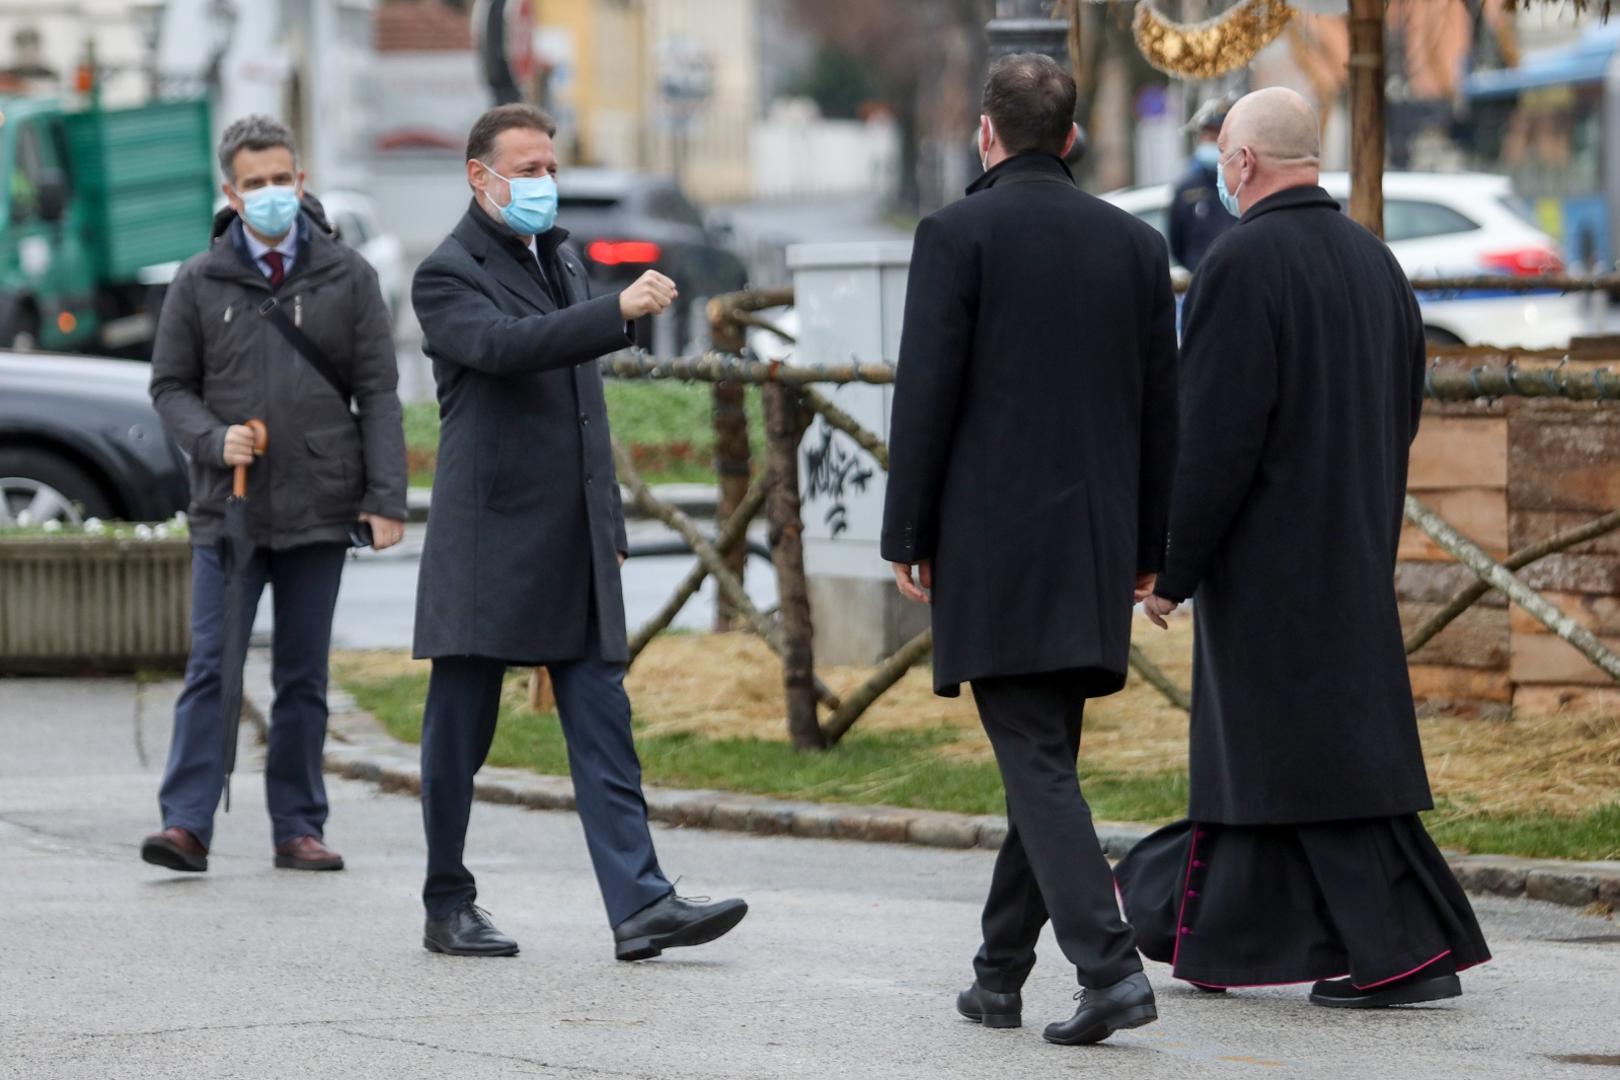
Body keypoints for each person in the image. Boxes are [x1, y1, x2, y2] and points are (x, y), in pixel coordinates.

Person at [1123, 87, 1491, 1008]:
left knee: (1307, 760)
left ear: (1242, 163)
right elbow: (1403, 410)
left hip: (1270, 566)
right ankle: (1195, 927)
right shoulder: (1377, 262)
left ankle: (1397, 950)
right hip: (1354, 540)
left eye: (1222, 155)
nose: (1219, 169)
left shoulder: (1237, 264)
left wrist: (1175, 569)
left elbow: (1214, 443)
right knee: (1285, 759)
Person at [882, 54, 1178, 1045]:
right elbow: (1160, 414)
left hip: (995, 544)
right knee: (1041, 760)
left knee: (1037, 766)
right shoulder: (1134, 245)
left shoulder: (955, 233)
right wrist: (1151, 545)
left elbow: (925, 395)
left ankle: (1109, 967)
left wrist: (906, 535)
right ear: (1076, 137)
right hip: (1094, 543)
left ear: (985, 134)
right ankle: (997, 975)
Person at [409, 103, 747, 961]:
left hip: (572, 538)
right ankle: (447, 899)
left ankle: (641, 906)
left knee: (603, 718)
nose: (544, 184)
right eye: (527, 170)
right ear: (479, 177)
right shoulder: (445, 273)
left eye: (551, 167)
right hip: (487, 540)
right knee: (460, 733)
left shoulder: (556, 253)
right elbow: (507, 347)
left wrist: (608, 527)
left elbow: (584, 410)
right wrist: (615, 313)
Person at [143, 115, 407, 874]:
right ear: (231, 191)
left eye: (280, 180)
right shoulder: (199, 280)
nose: (269, 195)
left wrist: (386, 497)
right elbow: (169, 387)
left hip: (321, 505)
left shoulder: (347, 275)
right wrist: (210, 438)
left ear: (301, 180)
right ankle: (186, 823)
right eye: (253, 184)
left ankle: (298, 825)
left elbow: (378, 392)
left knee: (303, 675)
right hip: (227, 508)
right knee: (212, 666)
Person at [1167, 99, 1236, 272]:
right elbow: (1177, 244)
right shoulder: (1186, 189)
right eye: (1207, 135)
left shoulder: (1245, 182)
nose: (1210, 141)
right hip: (1201, 282)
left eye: (1216, 135)